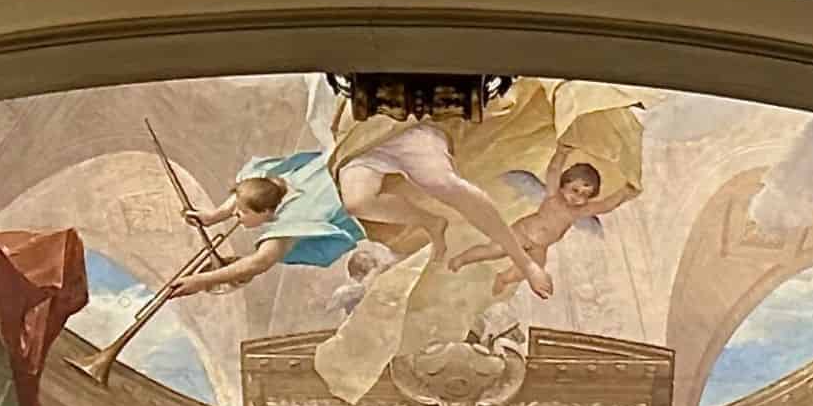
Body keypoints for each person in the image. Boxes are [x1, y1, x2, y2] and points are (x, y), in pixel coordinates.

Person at [334, 115, 558, 299]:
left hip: (409, 127)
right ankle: (430, 221)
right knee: (357, 202)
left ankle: (524, 262)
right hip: (364, 135)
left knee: (446, 184)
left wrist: (528, 266)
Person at [170, 151, 366, 295]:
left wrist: (200, 280)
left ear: (265, 211)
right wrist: (215, 216)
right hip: (350, 160)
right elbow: (245, 191)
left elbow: (259, 262)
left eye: (244, 212)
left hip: (359, 187)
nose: (236, 214)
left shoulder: (292, 221)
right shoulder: (272, 183)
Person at [449, 159, 611, 293]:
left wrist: (623, 193)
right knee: (494, 250)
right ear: (563, 185)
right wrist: (561, 152)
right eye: (574, 190)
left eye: (585, 195)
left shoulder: (578, 212)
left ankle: (504, 278)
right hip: (523, 233)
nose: (577, 197)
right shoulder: (553, 195)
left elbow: (605, 205)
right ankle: (462, 259)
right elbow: (554, 170)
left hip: (540, 246)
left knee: (533, 269)